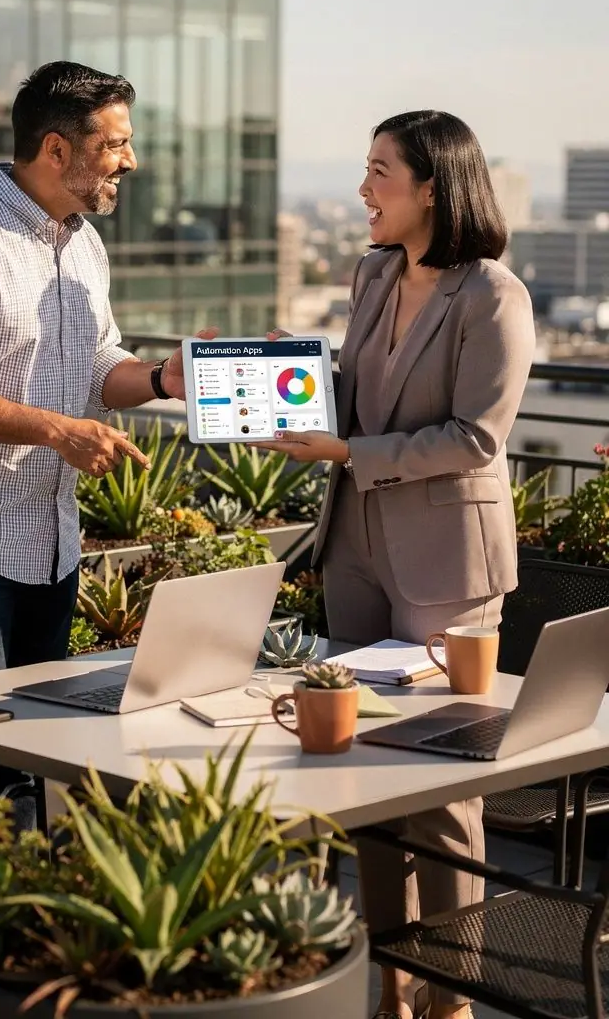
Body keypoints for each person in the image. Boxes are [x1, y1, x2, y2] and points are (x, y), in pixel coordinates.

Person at [0, 60, 213, 909]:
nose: (129, 162)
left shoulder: (83, 245)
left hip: (45, 540)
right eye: (117, 144)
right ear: (57, 148)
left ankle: (15, 956)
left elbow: (101, 364)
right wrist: (55, 429)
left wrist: (167, 378)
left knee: (34, 756)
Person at [261, 111, 535, 1019]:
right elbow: (348, 392)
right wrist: (258, 385)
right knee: (364, 769)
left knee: (442, 787)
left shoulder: (493, 295)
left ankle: (451, 998)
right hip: (357, 547)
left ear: (432, 187)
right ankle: (391, 981)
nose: (363, 189)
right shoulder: (373, 272)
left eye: (380, 171)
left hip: (445, 557)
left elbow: (474, 437)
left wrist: (349, 456)